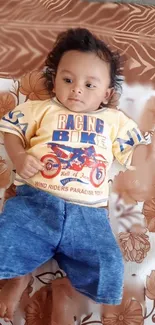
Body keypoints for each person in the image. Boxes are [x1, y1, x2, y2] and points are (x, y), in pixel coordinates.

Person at [0, 28, 154, 322]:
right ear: (54, 80)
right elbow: (11, 131)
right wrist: (19, 158)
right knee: (8, 237)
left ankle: (67, 291)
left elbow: (134, 152)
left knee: (109, 266)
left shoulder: (113, 121)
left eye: (89, 84)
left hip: (89, 215)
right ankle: (17, 277)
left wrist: (145, 156)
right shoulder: (40, 109)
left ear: (107, 93)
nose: (77, 89)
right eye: (67, 80)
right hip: (36, 201)